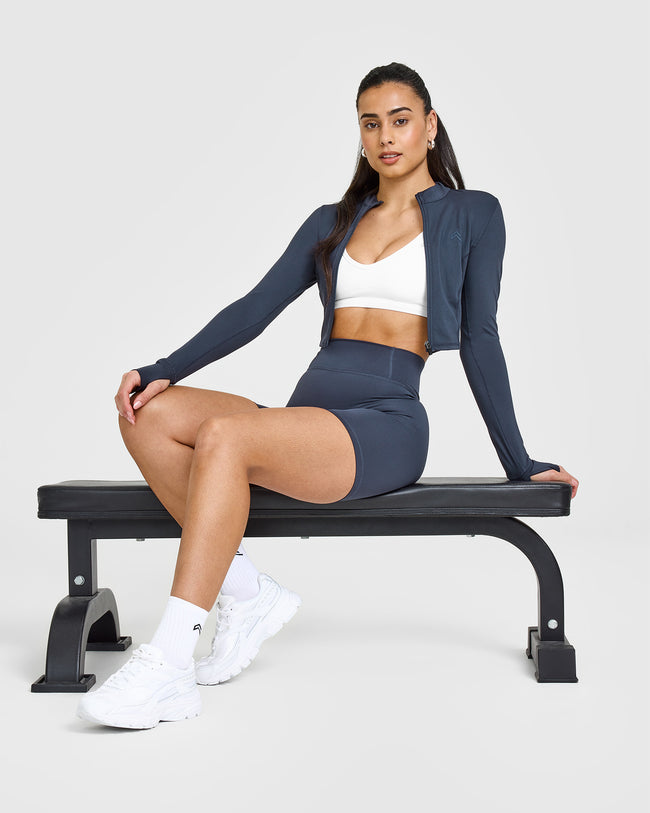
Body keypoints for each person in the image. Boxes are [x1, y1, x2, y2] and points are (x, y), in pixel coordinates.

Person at [77, 61, 579, 729]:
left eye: (400, 120)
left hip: (385, 425)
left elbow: (481, 337)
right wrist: (161, 368)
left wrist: (519, 462)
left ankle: (169, 660)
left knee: (224, 437)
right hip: (310, 419)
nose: (386, 136)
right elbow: (253, 310)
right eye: (371, 124)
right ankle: (244, 590)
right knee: (145, 413)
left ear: (430, 126)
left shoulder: (472, 213)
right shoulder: (333, 222)